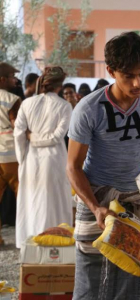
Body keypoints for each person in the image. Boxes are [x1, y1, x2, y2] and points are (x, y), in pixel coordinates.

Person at [66, 31, 140, 299]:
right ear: (111, 71)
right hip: (96, 194)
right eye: (128, 76)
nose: (138, 83)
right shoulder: (89, 109)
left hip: (139, 195)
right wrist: (95, 207)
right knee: (92, 268)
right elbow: (73, 167)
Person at [14, 66, 73, 248]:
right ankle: (57, 240)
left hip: (31, 158)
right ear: (60, 85)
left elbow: (18, 134)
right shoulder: (64, 106)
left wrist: (23, 154)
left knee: (33, 201)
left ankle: (32, 241)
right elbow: (57, 137)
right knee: (54, 201)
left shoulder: (27, 104)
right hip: (55, 159)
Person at [0, 63, 21, 246]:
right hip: (11, 156)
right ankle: (24, 237)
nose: (15, 80)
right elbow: (18, 127)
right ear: (3, 79)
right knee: (21, 196)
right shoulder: (12, 99)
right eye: (12, 76)